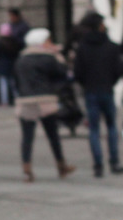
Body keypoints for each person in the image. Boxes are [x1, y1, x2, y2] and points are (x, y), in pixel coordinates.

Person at [13, 28, 76, 182]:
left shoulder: (21, 59)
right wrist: (58, 55)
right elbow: (62, 73)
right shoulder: (48, 58)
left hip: (26, 100)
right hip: (45, 99)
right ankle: (61, 166)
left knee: (27, 137)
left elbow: (16, 80)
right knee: (53, 135)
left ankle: (26, 169)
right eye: (48, 40)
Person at [72, 11, 123, 177]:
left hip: (91, 91)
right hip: (106, 90)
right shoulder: (112, 46)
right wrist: (111, 82)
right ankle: (114, 161)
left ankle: (98, 164)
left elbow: (78, 72)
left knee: (94, 129)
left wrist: (86, 84)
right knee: (111, 127)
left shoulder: (82, 47)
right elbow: (119, 70)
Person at [0, 22, 21, 105]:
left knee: (3, 84)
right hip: (12, 65)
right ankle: (17, 98)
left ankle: (4, 101)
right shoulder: (13, 41)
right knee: (13, 83)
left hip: (2, 65)